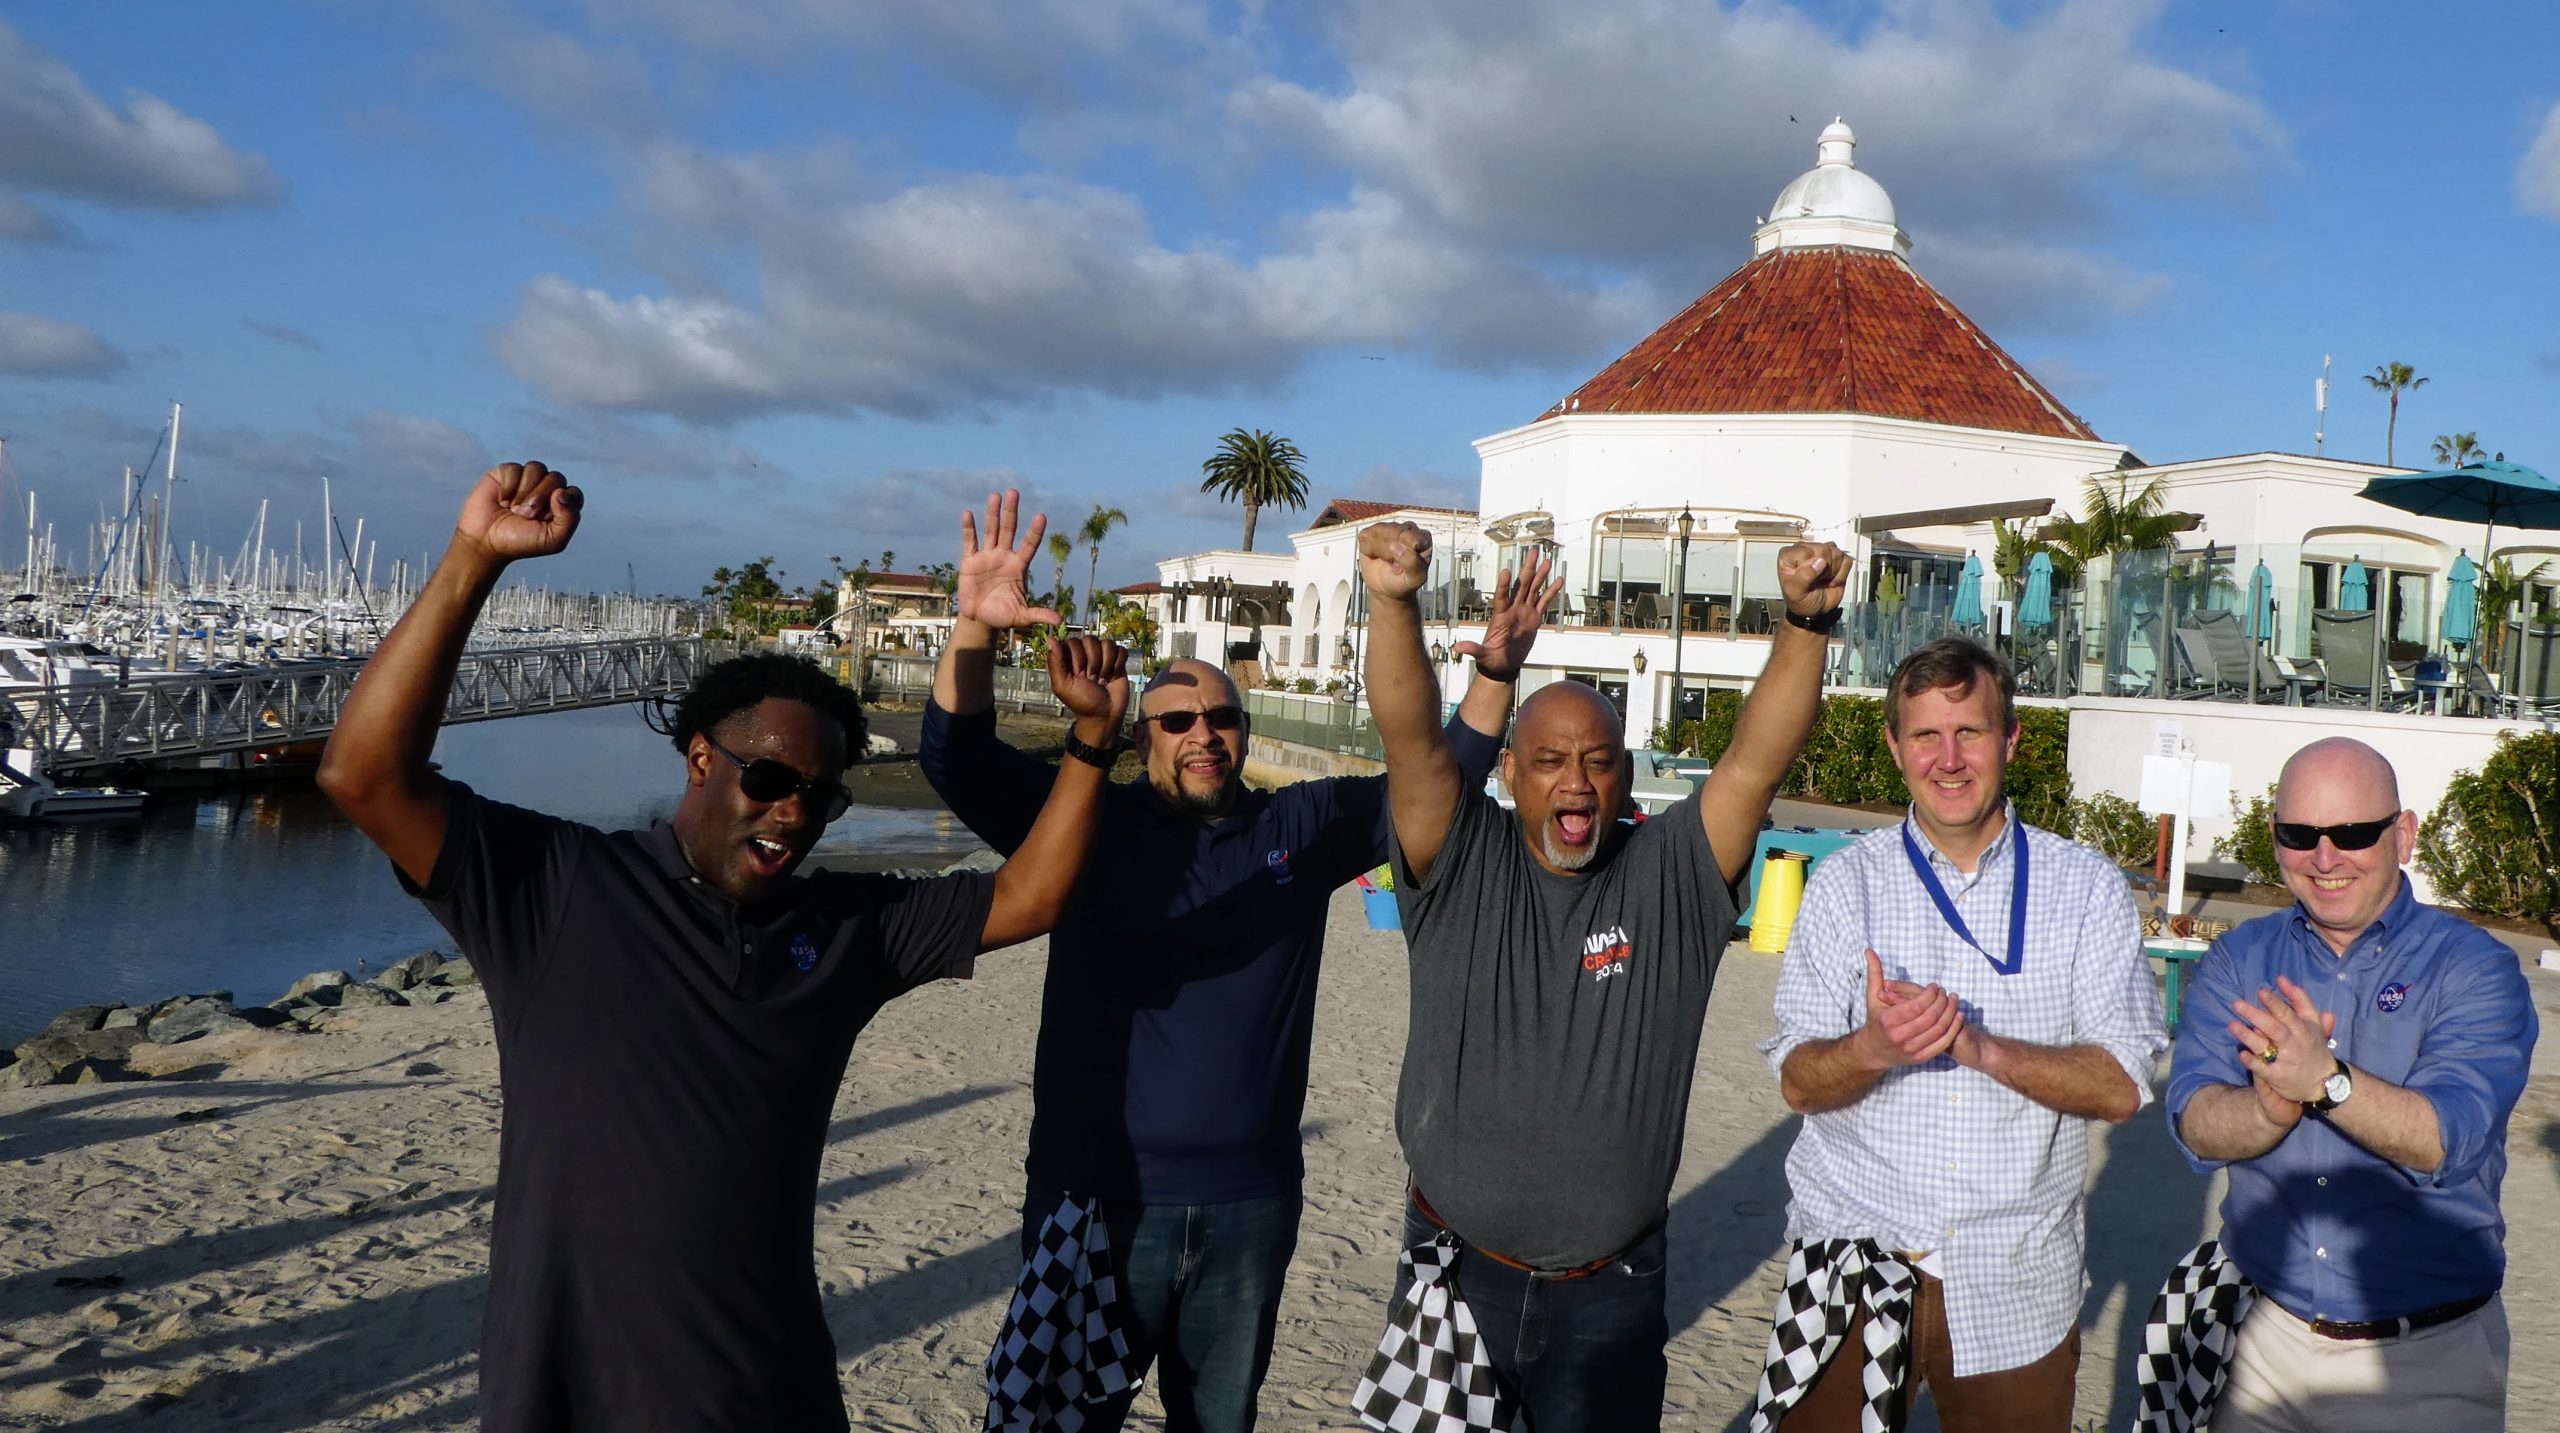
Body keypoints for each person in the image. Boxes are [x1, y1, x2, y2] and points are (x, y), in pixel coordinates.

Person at [317, 462, 1124, 1433]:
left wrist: (1089, 742)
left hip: (767, 1396)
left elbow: (1031, 897)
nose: (793, 810)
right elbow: (362, 774)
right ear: (702, 757)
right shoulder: (557, 889)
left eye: (820, 796)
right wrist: (474, 559)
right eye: (771, 776)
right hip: (564, 1396)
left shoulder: (844, 929)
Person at [919, 496, 1560, 1433]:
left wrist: (1496, 675)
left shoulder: (1295, 828)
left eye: (1222, 717)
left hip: (1251, 1208)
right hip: (1095, 1198)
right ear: (1143, 741)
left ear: (1246, 734)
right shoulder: (1084, 822)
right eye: (1177, 721)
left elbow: (1438, 782)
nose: (1203, 734)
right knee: (1059, 1420)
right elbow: (956, 759)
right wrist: (973, 622)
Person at [1353, 527, 1851, 1433]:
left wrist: (1804, 623)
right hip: (1453, 1274)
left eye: (1596, 760)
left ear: (1626, 777)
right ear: (1508, 773)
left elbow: (1755, 760)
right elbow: (1410, 737)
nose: (1574, 783)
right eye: (1548, 761)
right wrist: (1393, 601)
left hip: (1611, 1294)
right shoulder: (1462, 857)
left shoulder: (1670, 875)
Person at [1747, 636, 2163, 1433]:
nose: (1949, 758)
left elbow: (2121, 1084)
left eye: (1969, 731)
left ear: (2009, 739)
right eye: (1926, 735)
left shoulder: (2083, 887)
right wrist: (1876, 1047)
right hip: (1851, 1270)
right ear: (1896, 747)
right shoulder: (1847, 884)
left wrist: (1978, 1047)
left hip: (2016, 1280)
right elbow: (1797, 1079)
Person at [2149, 736, 2536, 1433]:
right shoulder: (2241, 957)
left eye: (2353, 832)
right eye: (2301, 834)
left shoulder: (2477, 969)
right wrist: (2266, 1112)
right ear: (2276, 839)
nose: (2325, 857)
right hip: (2260, 1341)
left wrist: (2325, 1083)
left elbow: (2450, 1137)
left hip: (2428, 1362)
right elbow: (2193, 1119)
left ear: (2404, 833)